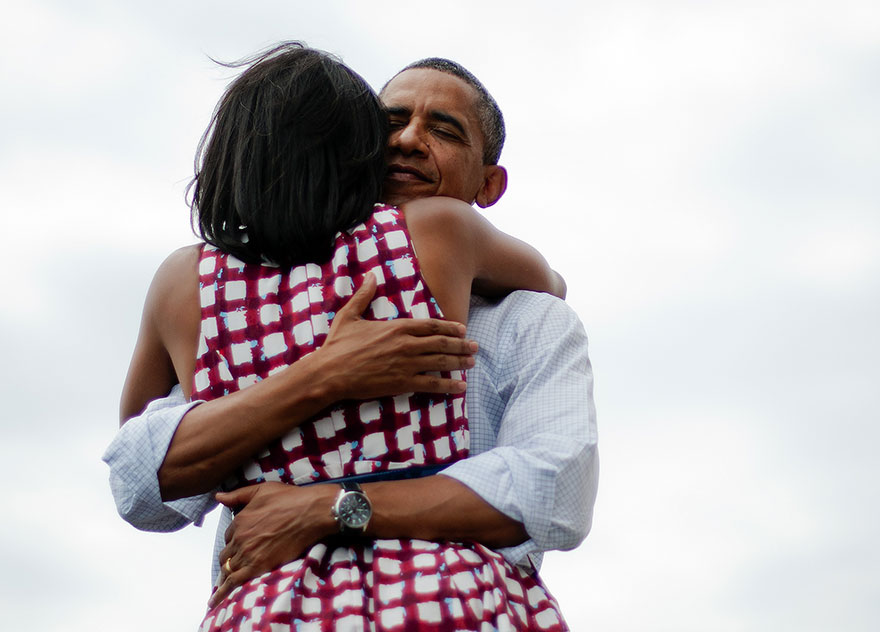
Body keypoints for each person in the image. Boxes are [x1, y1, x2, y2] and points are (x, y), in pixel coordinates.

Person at [105, 52, 598, 629]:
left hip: (269, 607)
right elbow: (140, 477)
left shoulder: (203, 293)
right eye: (390, 122)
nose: (408, 140)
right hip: (446, 599)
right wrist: (325, 372)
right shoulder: (446, 235)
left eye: (443, 131)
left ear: (489, 184)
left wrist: (329, 506)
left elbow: (554, 488)